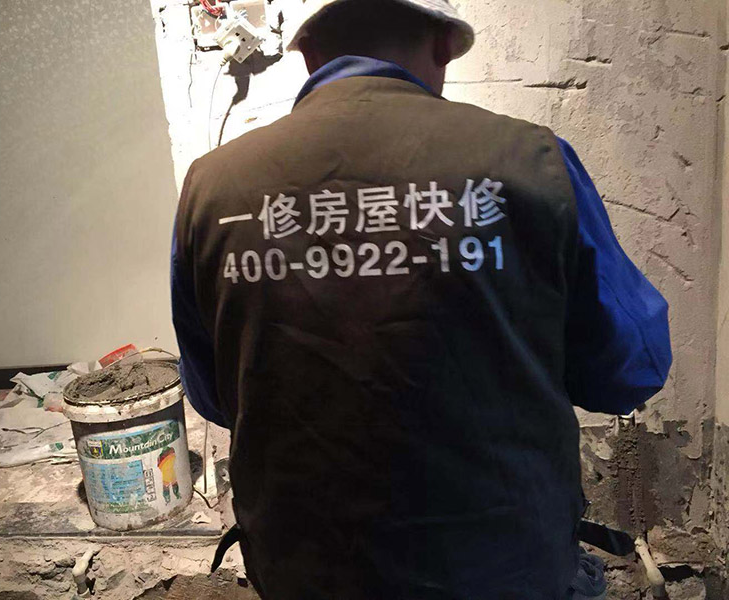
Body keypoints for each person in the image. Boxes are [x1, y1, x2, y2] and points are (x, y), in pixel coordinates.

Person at [171, 0, 672, 598]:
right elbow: (630, 371)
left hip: (301, 569)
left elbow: (215, 394)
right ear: (442, 46)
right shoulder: (530, 161)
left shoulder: (213, 186)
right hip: (505, 568)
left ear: (308, 54)